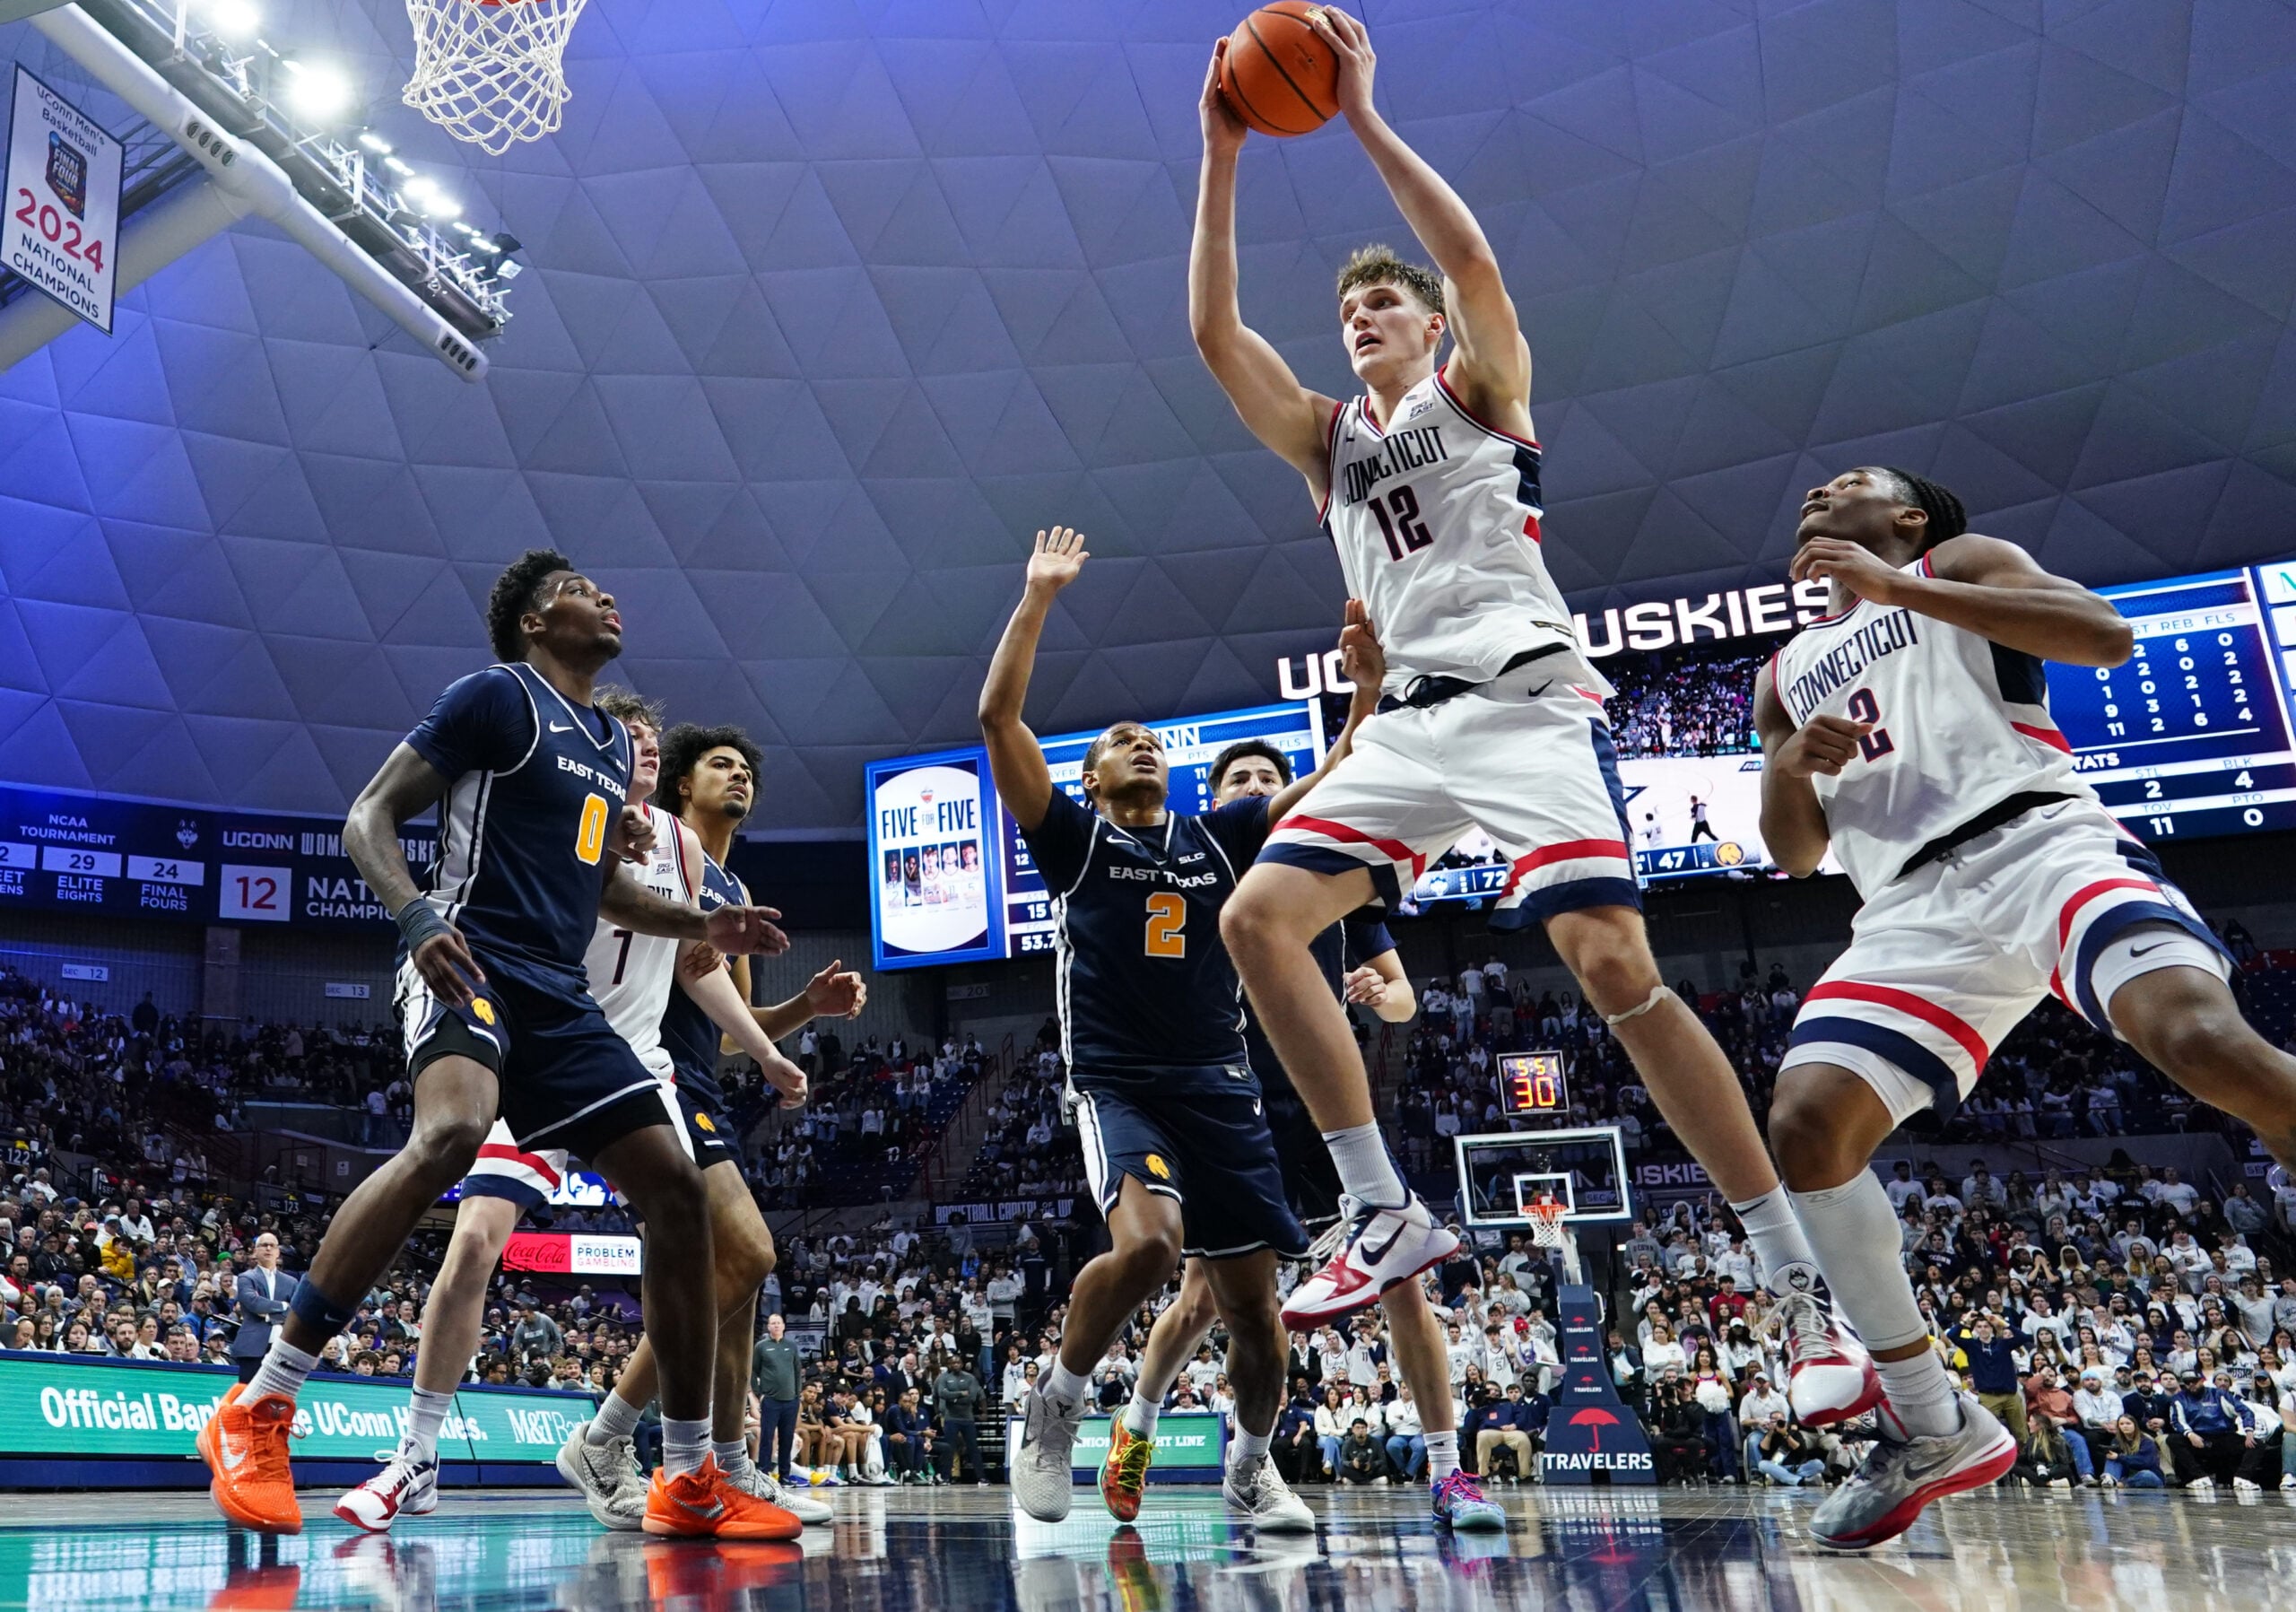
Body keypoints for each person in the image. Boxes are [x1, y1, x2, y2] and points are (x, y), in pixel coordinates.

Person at [1185, 14, 1869, 1440]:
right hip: (1404, 732)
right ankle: (1381, 1205)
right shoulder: (1331, 444)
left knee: (1612, 957)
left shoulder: (1477, 389)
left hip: (1523, 698)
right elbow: (1210, 335)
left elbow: (1477, 263)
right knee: (1255, 922)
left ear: (1428, 327)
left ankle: (1792, 1278)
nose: (1359, 321)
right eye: (1349, 315)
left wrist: (1359, 115)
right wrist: (1222, 148)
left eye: (1382, 307)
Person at [195, 551, 790, 1540]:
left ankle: (687, 1477)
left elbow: (601, 892)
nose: (605, 596)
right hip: (469, 956)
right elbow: (367, 817)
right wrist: (418, 917)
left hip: (560, 997)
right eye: (578, 590)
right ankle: (259, 1405)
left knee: (676, 1195)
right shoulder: (495, 698)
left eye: (605, 589)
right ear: (531, 622)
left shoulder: (605, 742)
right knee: (453, 1133)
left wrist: (703, 928)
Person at [1756, 468, 2296, 1548]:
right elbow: (1794, 850)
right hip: (1908, 908)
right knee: (1806, 1124)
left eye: (1850, 485)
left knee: (2196, 1038)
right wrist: (1788, 764)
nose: (1819, 490)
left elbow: (2101, 636)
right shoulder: (1782, 670)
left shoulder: (1956, 563)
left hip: (2038, 838)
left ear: (1908, 520)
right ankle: (1930, 1422)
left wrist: (1899, 590)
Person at [334, 698, 835, 1534]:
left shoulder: (688, 851)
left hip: (636, 1066)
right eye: (624, 742)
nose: (635, 753)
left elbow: (695, 967)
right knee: (473, 1242)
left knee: (735, 1250)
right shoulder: (566, 819)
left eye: (645, 742)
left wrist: (772, 1042)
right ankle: (414, 1455)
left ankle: (690, 1464)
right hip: (550, 1045)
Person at [982, 527, 1361, 1533]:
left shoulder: (1220, 833)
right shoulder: (1072, 838)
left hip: (1219, 1083)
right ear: (1094, 778)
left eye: (1151, 739)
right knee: (1149, 1249)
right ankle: (1056, 1407)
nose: (1141, 741)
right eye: (1119, 741)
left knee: (1255, 1322)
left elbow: (1337, 778)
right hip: (1120, 1080)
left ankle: (1249, 1467)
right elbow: (995, 715)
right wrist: (1039, 597)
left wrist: (1363, 696)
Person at [1106, 738, 1502, 1531]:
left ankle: (1450, 1474)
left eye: (1268, 778)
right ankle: (1137, 1431)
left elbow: (1404, 1003)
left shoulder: (1328, 881)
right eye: (1240, 780)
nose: (1256, 787)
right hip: (1229, 1102)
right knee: (1199, 1304)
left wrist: (1376, 991)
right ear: (1219, 803)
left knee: (1403, 1282)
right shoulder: (1188, 881)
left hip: (1322, 1109)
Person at [227, 1233, 295, 1386]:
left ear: (278, 1252)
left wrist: (268, 1315)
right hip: (252, 1347)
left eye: (272, 1245)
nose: (268, 1248)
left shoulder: (291, 1282)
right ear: (255, 1252)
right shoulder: (246, 1277)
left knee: (277, 1400)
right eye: (264, 1245)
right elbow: (254, 1303)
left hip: (282, 1350)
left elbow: (296, 1312)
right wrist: (283, 1306)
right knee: (247, 1397)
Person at [752, 1312, 803, 1486]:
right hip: (771, 1400)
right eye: (772, 1323)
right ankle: (764, 1473)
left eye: (778, 1323)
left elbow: (797, 1370)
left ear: (783, 1326)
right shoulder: (761, 1346)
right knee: (767, 1436)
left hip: (791, 1400)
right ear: (768, 1327)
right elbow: (753, 1370)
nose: (775, 1326)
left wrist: (797, 1394)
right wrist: (760, 1393)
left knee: (787, 1438)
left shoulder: (791, 1346)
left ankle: (785, 1476)